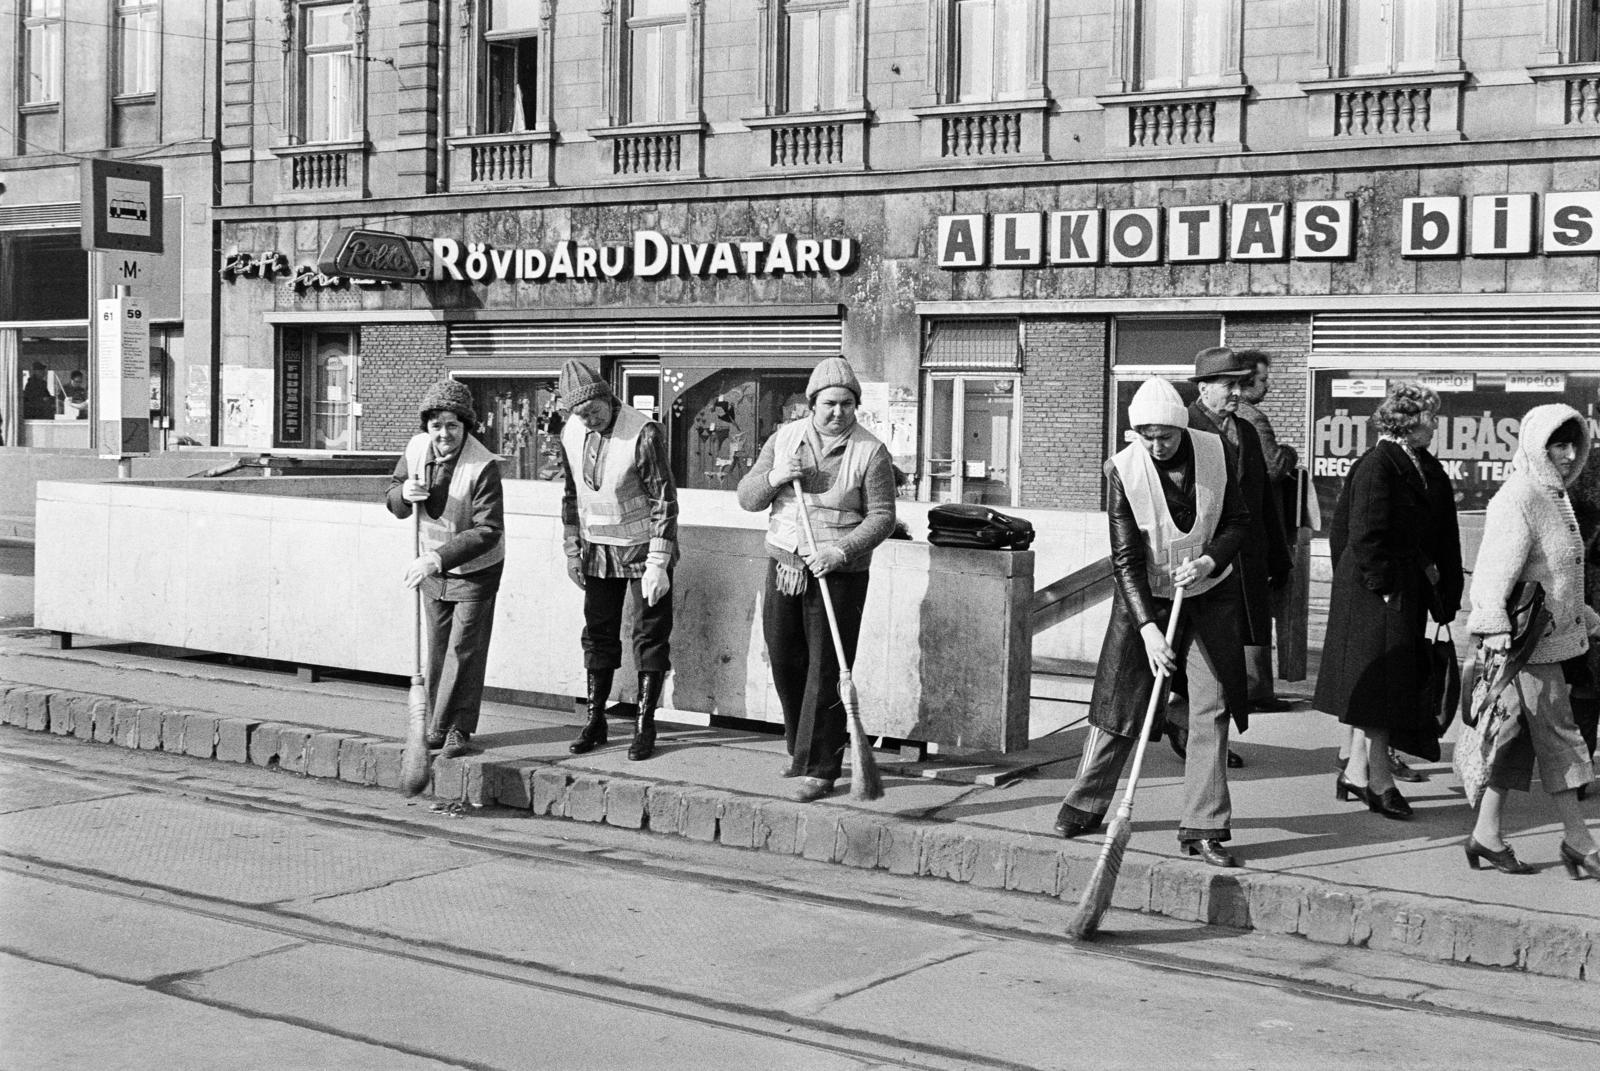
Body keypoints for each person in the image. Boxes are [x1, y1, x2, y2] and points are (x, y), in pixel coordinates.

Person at [1053, 377, 1251, 867]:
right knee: (1121, 707)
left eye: (1164, 435)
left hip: (1208, 592)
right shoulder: (1122, 470)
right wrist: (1147, 629)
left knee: (1212, 706)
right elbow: (1124, 558)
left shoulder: (1217, 452)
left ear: (1181, 427)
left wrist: (1208, 561)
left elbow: (1238, 522)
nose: (1156, 445)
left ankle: (1204, 826)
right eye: (1145, 435)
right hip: (1145, 598)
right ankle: (1086, 802)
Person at [736, 356, 896, 802]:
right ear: (811, 404)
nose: (838, 412)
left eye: (847, 404)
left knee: (827, 670)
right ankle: (798, 748)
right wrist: (776, 476)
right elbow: (747, 498)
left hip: (838, 573)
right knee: (786, 661)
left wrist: (840, 550)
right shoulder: (785, 439)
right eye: (829, 403)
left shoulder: (871, 452)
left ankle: (822, 767)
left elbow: (883, 518)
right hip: (786, 566)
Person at [1313, 382, 1463, 820]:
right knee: (1381, 690)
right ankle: (1378, 780)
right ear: (1410, 421)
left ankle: (1357, 772)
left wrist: (1439, 590)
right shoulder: (1380, 464)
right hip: (1376, 593)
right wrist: (1384, 586)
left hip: (1397, 589)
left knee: (1382, 686)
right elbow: (1363, 533)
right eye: (1431, 416)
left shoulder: (1417, 464)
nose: (1436, 424)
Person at [1462, 406, 1600, 877]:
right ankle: (1579, 840)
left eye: (1573, 445)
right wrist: (1493, 625)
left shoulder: (1555, 496)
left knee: (1518, 741)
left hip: (1552, 638)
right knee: (1561, 733)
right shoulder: (1518, 497)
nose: (1567, 455)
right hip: (1525, 647)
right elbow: (1493, 574)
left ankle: (1486, 834)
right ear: (1536, 446)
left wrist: (1583, 616)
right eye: (1557, 445)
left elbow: (1553, 572)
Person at [560, 359, 678, 762]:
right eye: (580, 414)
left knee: (649, 635)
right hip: (597, 549)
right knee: (598, 633)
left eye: (593, 410)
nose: (589, 420)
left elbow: (664, 499)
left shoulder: (641, 433)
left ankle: (646, 723)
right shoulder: (572, 432)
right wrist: (572, 547)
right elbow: (571, 494)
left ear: (607, 397)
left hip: (643, 548)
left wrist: (660, 561)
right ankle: (596, 719)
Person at [384, 379, 506, 759]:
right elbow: (393, 491)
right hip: (431, 570)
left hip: (475, 569)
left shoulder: (482, 465)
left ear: (465, 426)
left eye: (452, 425)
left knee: (463, 649)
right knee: (436, 649)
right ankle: (435, 725)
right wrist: (403, 496)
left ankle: (458, 728)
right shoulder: (416, 449)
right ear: (427, 427)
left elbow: (488, 529)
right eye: (436, 425)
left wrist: (437, 558)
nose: (444, 434)